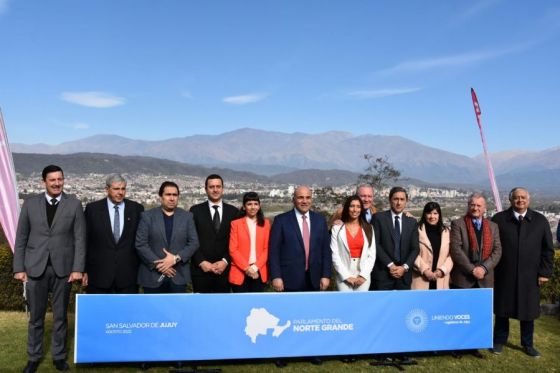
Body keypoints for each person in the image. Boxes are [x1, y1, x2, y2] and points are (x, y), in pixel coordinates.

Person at [13, 165, 86, 373]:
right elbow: (21, 239)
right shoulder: (30, 204)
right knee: (36, 317)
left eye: (60, 179)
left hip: (63, 269)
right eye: (52, 180)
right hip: (35, 268)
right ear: (43, 181)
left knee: (61, 316)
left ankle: (59, 356)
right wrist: (19, 267)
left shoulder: (74, 204)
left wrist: (77, 268)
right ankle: (34, 357)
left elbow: (80, 239)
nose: (57, 183)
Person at [268, 185, 332, 367]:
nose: (304, 201)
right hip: (288, 278)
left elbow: (325, 251)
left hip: (314, 277)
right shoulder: (281, 220)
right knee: (286, 317)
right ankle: (284, 354)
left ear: (312, 199)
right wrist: (276, 276)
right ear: (293, 199)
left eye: (307, 197)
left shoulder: (320, 220)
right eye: (300, 197)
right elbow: (274, 252)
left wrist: (326, 274)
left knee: (311, 318)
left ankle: (312, 352)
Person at [491, 187, 554, 358]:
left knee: (528, 312)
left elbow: (548, 250)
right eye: (516, 198)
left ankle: (528, 344)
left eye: (523, 197)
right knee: (502, 310)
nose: (520, 200)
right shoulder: (499, 219)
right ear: (510, 200)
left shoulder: (540, 221)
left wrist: (545, 273)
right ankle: (499, 341)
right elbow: (491, 246)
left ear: (529, 200)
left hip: (530, 276)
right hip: (505, 274)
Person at [449, 192, 501, 359]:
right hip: (463, 278)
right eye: (472, 204)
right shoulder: (458, 224)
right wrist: (472, 269)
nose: (475, 208)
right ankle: (457, 346)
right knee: (460, 315)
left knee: (478, 315)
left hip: (485, 279)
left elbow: (497, 250)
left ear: (485, 208)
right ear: (468, 205)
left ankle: (474, 346)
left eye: (479, 205)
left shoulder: (493, 227)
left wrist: (484, 268)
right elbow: (456, 250)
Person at [82, 174, 144, 294]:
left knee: (127, 312)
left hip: (128, 276)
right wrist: (84, 270)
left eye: (123, 189)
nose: (120, 192)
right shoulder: (92, 210)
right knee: (100, 312)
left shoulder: (136, 209)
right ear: (107, 189)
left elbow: (141, 241)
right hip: (98, 275)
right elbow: (85, 240)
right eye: (116, 189)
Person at [135, 181, 199, 293]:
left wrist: (175, 259)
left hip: (178, 275)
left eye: (175, 195)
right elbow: (141, 244)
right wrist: (160, 265)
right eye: (168, 194)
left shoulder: (187, 217)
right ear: (161, 196)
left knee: (176, 310)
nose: (172, 198)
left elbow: (194, 243)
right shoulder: (147, 216)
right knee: (153, 310)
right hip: (152, 276)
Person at [189, 174, 239, 293]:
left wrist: (225, 261)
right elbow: (191, 239)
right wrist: (201, 261)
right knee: (201, 308)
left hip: (225, 271)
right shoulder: (195, 211)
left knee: (223, 309)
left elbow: (236, 241)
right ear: (205, 189)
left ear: (223, 189)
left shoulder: (233, 212)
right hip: (201, 271)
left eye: (218, 186)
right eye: (211, 187)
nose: (215, 190)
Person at [370, 186, 419, 291]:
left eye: (402, 199)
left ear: (406, 201)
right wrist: (390, 265)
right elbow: (375, 244)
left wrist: (404, 267)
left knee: (402, 306)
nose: (398, 203)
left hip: (404, 276)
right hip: (382, 274)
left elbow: (415, 248)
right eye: (395, 199)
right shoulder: (378, 218)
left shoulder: (412, 222)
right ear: (390, 200)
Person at [331, 195, 376, 291]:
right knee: (345, 304)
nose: (355, 209)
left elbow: (372, 255)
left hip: (363, 274)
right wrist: (346, 276)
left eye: (358, 206)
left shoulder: (369, 228)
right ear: (347, 208)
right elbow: (334, 254)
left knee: (362, 304)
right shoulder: (337, 228)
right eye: (352, 206)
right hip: (343, 273)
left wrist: (363, 275)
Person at [228, 192, 270, 292]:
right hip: (240, 271)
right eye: (249, 204)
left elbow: (267, 249)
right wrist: (247, 269)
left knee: (257, 305)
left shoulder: (266, 224)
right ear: (244, 207)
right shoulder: (236, 224)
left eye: (255, 204)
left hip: (259, 272)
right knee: (240, 305)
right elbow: (233, 250)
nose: (253, 207)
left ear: (259, 206)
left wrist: (255, 267)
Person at [411, 202, 453, 290]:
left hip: (441, 279)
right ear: (424, 214)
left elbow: (451, 255)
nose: (432, 217)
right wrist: (425, 270)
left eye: (435, 213)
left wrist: (442, 270)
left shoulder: (447, 232)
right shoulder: (416, 230)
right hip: (421, 278)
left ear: (439, 215)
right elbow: (411, 252)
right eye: (429, 213)